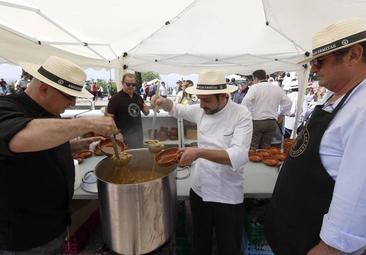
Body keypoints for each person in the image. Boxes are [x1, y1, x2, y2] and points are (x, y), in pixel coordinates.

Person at [264, 18, 366, 255]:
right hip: (293, 230)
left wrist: (330, 248)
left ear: (354, 55)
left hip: (316, 244)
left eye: (319, 61)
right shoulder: (336, 97)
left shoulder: (362, 108)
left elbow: (359, 190)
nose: (314, 69)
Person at [0, 56, 118, 254]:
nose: (73, 103)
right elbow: (19, 138)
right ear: (44, 86)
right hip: (23, 237)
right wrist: (89, 123)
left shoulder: (49, 111)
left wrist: (73, 145)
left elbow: (39, 147)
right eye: (68, 96)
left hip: (54, 226)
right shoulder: (6, 107)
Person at [151, 70, 252, 255]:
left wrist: (198, 153)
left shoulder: (241, 114)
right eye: (199, 99)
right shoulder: (201, 110)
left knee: (228, 247)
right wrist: (162, 101)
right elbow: (177, 109)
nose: (202, 105)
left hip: (228, 195)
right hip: (200, 191)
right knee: (200, 242)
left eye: (206, 100)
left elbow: (238, 156)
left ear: (223, 96)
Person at [241, 69, 292, 149]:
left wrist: (247, 115)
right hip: (271, 122)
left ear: (255, 78)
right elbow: (288, 102)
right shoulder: (276, 88)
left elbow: (246, 101)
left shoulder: (255, 87)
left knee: (252, 147)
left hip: (257, 121)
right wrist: (282, 114)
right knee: (266, 148)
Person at [107, 73, 150, 149]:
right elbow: (109, 119)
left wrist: (147, 110)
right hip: (122, 137)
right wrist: (117, 133)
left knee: (137, 157)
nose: (131, 87)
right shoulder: (115, 99)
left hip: (138, 136)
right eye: (128, 84)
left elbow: (145, 112)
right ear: (122, 83)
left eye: (133, 85)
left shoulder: (138, 97)